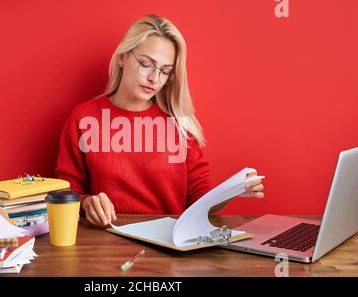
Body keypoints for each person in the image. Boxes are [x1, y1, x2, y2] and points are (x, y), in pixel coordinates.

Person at [55, 15, 264, 227]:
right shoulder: (83, 118)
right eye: (146, 64)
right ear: (122, 57)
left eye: (165, 71)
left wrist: (234, 190)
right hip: (106, 240)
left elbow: (200, 199)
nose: (154, 78)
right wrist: (86, 203)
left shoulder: (179, 123)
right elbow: (66, 191)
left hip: (167, 242)